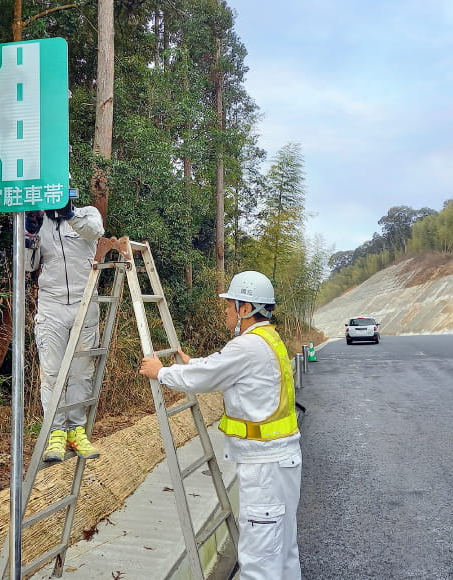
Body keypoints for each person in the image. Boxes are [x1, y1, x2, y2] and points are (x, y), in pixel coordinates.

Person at [138, 271, 301, 580]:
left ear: (245, 309)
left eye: (229, 305)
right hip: (283, 461)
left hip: (264, 467)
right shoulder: (268, 339)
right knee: (283, 549)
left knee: (259, 561)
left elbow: (208, 376)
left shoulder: (246, 347)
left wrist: (161, 372)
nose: (225, 311)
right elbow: (220, 366)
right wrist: (193, 362)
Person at [25, 193, 104, 462]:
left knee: (81, 373)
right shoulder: (38, 222)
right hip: (51, 306)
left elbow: (95, 232)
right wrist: (29, 235)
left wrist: (70, 214)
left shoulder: (88, 213)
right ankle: (55, 434)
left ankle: (76, 431)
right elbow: (28, 266)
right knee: (52, 373)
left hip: (85, 303)